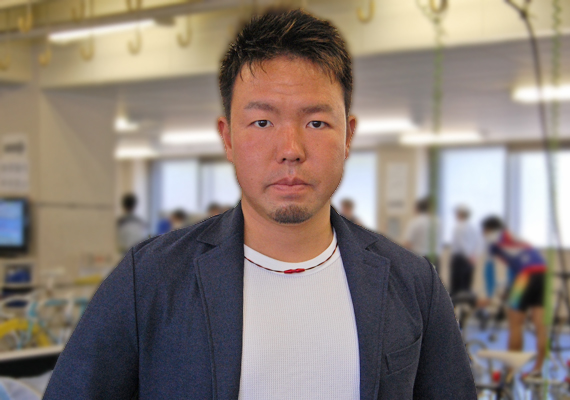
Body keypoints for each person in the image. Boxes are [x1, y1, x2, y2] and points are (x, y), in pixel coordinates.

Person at [44, 9, 476, 399]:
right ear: (228, 138)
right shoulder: (151, 279)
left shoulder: (413, 283)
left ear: (348, 137)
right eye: (263, 121)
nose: (290, 149)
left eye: (316, 122)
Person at [481, 216, 547, 376]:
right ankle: (538, 369)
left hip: (525, 276)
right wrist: (511, 288)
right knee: (540, 325)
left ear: (487, 229)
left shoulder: (491, 240)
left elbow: (489, 269)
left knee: (515, 325)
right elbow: (514, 266)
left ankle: (511, 371)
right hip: (543, 273)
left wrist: (490, 296)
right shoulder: (512, 236)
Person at [403, 197, 442, 271]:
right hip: (435, 258)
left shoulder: (415, 222)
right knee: (435, 277)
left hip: (420, 258)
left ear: (418, 208)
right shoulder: (437, 222)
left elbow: (407, 243)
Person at [449, 204, 480, 296]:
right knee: (466, 286)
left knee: (457, 287)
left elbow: (461, 243)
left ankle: (455, 304)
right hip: (470, 258)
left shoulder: (459, 226)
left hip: (460, 258)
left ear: (460, 214)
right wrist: (472, 256)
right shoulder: (473, 227)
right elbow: (476, 243)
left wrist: (467, 256)